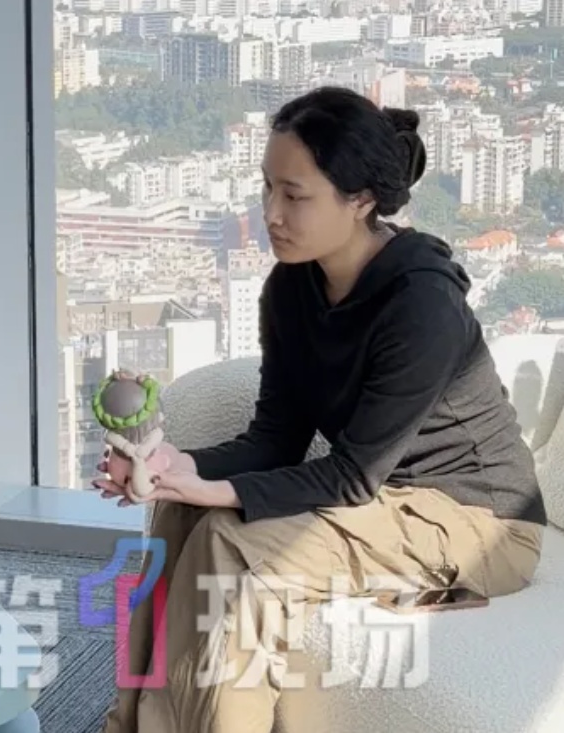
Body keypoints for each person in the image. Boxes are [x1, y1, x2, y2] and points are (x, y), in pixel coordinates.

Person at [96, 86, 546, 733]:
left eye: (294, 195)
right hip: (383, 494)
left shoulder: (422, 304)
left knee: (233, 546)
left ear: (359, 199)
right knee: (178, 509)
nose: (270, 213)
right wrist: (176, 467)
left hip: (477, 517)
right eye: (266, 188)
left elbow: (352, 475)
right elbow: (276, 437)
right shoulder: (290, 287)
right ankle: (132, 722)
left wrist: (215, 489)